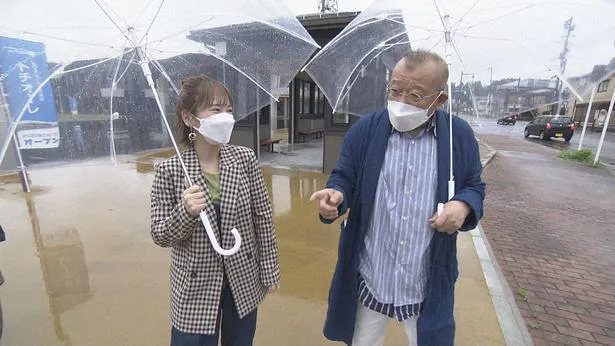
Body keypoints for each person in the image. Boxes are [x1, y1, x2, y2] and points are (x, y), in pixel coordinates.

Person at [310, 50, 485, 346]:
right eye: (395, 90)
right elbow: (345, 177)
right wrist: (335, 196)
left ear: (439, 100)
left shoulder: (459, 137)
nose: (401, 102)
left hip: (424, 281)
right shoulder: (365, 131)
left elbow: (474, 186)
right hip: (371, 274)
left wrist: (464, 205)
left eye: (415, 95)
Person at [150, 76, 280, 346]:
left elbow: (263, 217)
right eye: (215, 110)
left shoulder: (245, 159)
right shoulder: (169, 171)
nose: (226, 118)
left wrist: (269, 270)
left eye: (229, 110)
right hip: (195, 287)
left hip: (242, 279)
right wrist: (184, 211)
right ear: (189, 118)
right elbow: (159, 234)